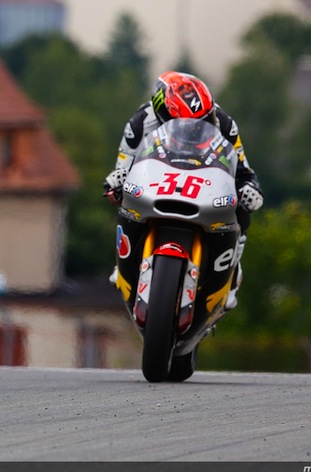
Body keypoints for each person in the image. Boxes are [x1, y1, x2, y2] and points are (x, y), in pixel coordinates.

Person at [103, 71, 263, 310]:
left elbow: (244, 169)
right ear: (162, 112)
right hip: (159, 180)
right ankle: (124, 264)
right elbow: (123, 166)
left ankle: (231, 275)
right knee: (127, 201)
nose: (195, 126)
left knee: (241, 210)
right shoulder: (139, 124)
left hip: (204, 184)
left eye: (203, 119)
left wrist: (249, 188)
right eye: (184, 121)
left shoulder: (225, 124)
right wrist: (116, 182)